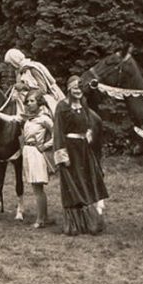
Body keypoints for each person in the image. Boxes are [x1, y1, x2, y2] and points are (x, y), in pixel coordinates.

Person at [52, 76, 109, 236]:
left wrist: (88, 133)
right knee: (74, 185)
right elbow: (58, 132)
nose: (78, 91)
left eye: (80, 88)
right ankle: (75, 225)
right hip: (70, 150)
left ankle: (90, 223)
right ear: (69, 89)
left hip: (84, 150)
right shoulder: (62, 107)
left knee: (88, 183)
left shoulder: (84, 105)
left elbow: (88, 122)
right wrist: (63, 155)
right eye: (75, 88)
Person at [0, 89, 54, 227]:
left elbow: (57, 134)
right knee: (34, 185)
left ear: (39, 103)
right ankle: (44, 217)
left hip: (37, 153)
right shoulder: (27, 117)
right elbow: (11, 118)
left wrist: (45, 145)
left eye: (32, 101)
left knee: (38, 187)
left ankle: (41, 220)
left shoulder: (44, 119)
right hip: (27, 152)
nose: (29, 104)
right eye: (28, 101)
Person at [4, 48, 65, 114]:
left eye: (10, 64)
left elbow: (43, 89)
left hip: (42, 97)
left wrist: (25, 87)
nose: (10, 67)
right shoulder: (20, 71)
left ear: (14, 61)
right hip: (28, 98)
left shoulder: (32, 68)